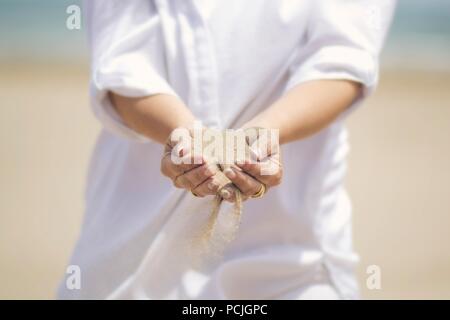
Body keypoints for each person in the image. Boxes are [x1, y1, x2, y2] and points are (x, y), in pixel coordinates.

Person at [58, 0, 396, 299]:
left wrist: (267, 132)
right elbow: (121, 65)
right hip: (135, 243)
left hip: (293, 254)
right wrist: (186, 136)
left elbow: (344, 58)